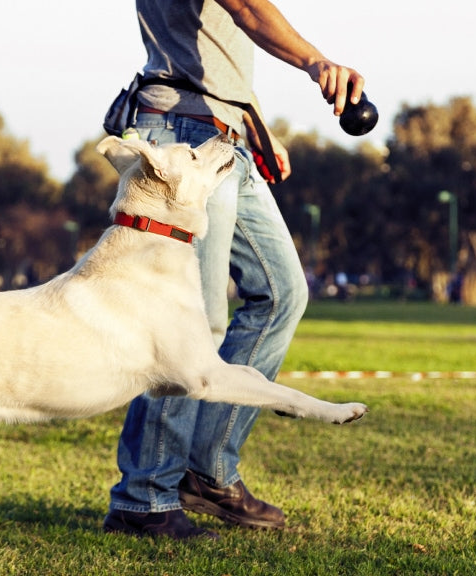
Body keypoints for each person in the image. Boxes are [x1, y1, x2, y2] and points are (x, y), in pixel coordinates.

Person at [102, 0, 367, 540]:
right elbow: (246, 7)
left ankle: (207, 472)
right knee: (190, 327)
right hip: (183, 135)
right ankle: (145, 497)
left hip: (223, 134)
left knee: (282, 293)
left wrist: (252, 124)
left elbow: (214, 47)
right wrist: (315, 62)